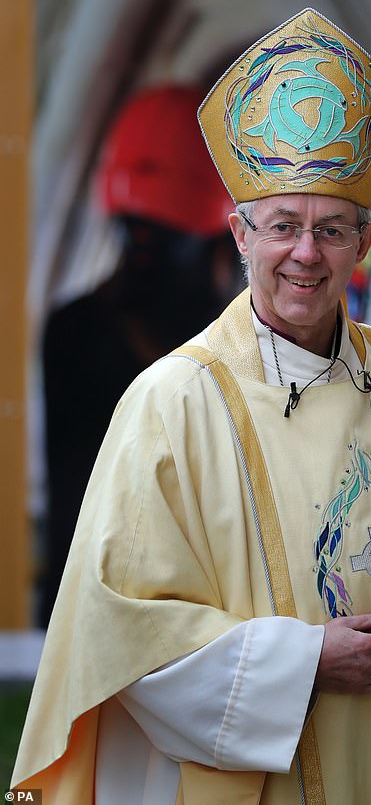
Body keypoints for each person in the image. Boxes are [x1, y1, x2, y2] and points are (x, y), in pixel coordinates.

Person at [13, 9, 371, 804]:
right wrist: (298, 661)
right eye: (283, 226)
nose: (305, 254)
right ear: (240, 234)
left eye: (331, 229)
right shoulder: (171, 403)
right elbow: (120, 629)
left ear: (365, 241)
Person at [39, 85, 239, 625]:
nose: (143, 255)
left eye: (156, 238)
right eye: (136, 235)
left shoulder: (72, 328)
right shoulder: (85, 337)